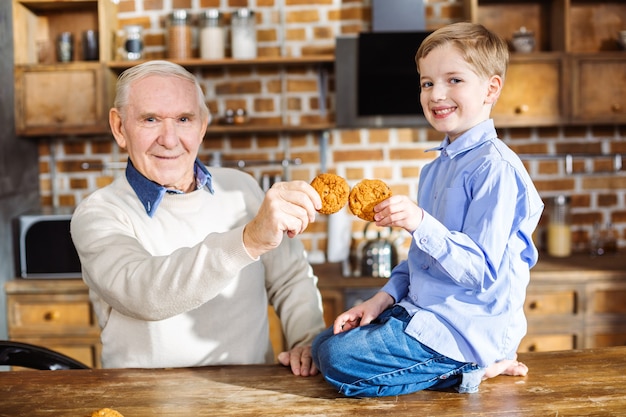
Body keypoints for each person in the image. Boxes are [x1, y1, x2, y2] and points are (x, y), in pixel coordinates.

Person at [311, 22, 544, 397]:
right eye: (427, 83)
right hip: (423, 314)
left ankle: (476, 368)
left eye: (454, 80)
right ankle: (458, 364)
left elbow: (481, 272)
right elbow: (424, 262)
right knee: (323, 344)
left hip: (464, 331)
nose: (437, 94)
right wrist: (381, 299)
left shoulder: (495, 169)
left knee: (340, 360)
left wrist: (419, 222)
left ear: (491, 88)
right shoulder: (436, 168)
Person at [70, 60, 326, 376]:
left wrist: (308, 340)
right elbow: (144, 294)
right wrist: (247, 241)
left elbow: (290, 279)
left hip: (248, 395)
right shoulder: (98, 213)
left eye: (184, 119)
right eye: (150, 119)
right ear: (120, 127)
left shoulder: (241, 187)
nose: (169, 138)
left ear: (202, 125)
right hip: (144, 401)